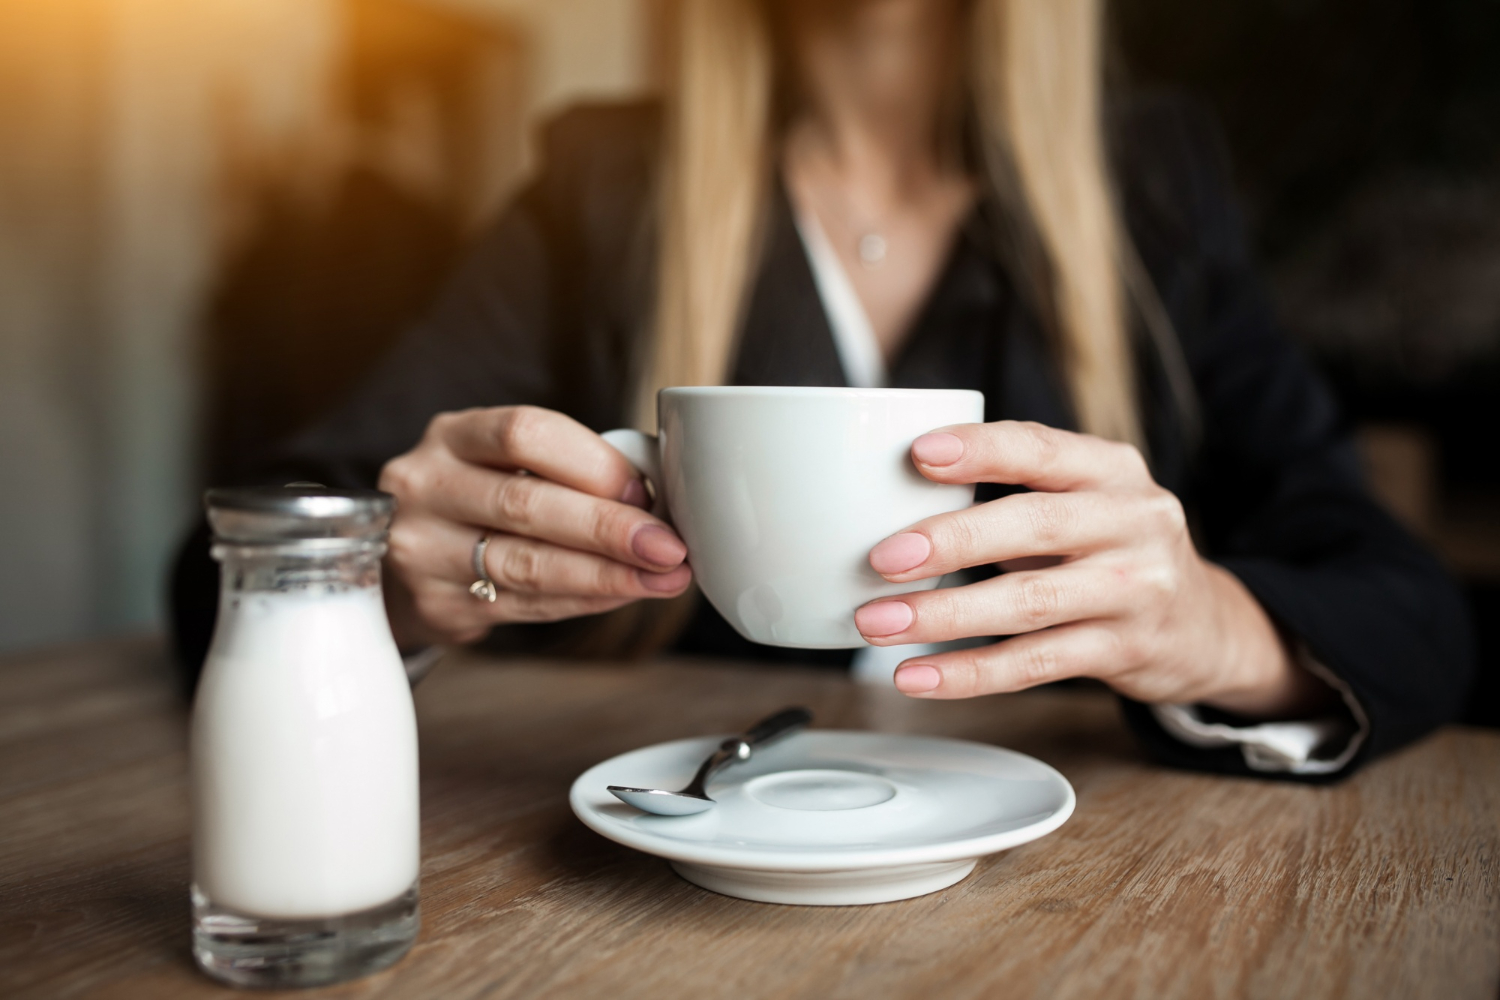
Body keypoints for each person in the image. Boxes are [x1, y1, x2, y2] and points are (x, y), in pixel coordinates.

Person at [172, 0, 1473, 780]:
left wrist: (1216, 629)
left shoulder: (1154, 191)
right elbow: (227, 558)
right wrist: (384, 580)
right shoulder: (602, 187)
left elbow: (1413, 611)